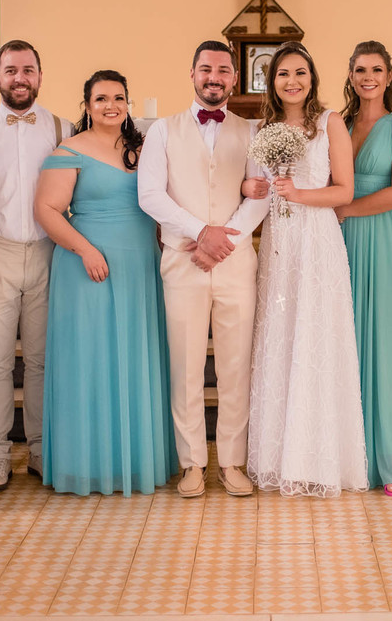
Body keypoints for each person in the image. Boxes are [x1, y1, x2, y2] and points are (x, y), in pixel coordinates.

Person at [34, 70, 176, 495]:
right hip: (88, 270)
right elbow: (46, 210)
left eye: (118, 98)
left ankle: (135, 462)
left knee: (135, 359)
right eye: (101, 99)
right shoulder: (69, 150)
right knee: (92, 362)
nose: (111, 105)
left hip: (140, 269)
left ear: (128, 103)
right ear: (87, 105)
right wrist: (85, 250)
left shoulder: (143, 149)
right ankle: (88, 465)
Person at [138, 41, 268, 498]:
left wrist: (222, 241)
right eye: (206, 68)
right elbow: (150, 195)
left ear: (235, 78)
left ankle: (232, 461)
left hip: (234, 263)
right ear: (192, 73)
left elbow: (262, 193)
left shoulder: (253, 131)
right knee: (187, 365)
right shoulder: (162, 131)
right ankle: (192, 462)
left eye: (224, 70)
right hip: (182, 260)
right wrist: (200, 232)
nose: (214, 77)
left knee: (235, 365)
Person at [242, 41, 368, 497]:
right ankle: (279, 457)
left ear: (312, 77)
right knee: (280, 338)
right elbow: (251, 182)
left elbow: (345, 192)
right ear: (269, 81)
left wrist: (299, 194)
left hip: (317, 241)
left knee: (317, 341)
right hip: (279, 245)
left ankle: (320, 458)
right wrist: (249, 183)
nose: (292, 81)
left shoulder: (329, 122)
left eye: (300, 72)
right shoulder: (263, 127)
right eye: (282, 74)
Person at [0, 40, 71, 490]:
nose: (20, 78)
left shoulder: (65, 131)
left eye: (28, 69)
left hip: (50, 252)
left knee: (44, 361)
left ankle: (42, 450)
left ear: (40, 76)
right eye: (11, 70)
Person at [335, 41, 392, 496]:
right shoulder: (338, 123)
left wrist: (346, 209)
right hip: (337, 245)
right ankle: (346, 454)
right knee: (344, 341)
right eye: (359, 69)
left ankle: (391, 458)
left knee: (386, 344)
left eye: (376, 69)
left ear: (389, 76)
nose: (367, 77)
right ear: (350, 75)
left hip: (381, 239)